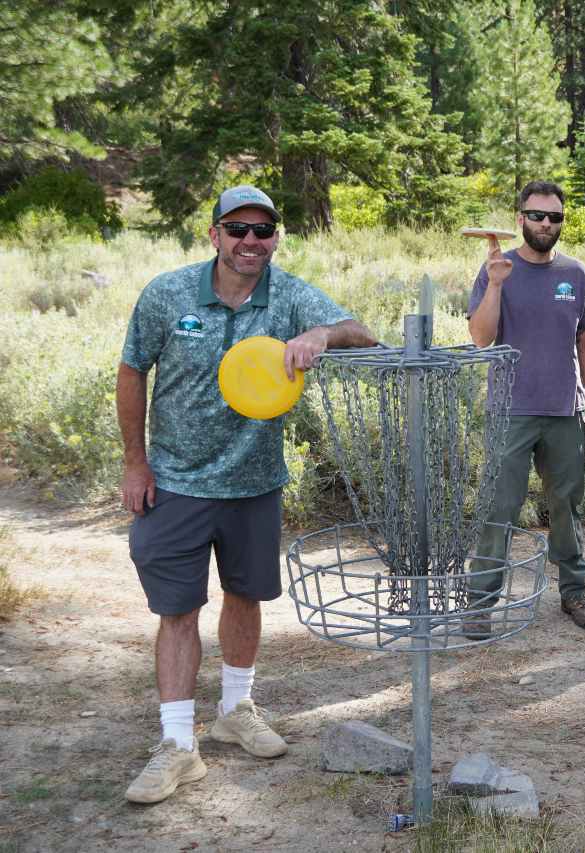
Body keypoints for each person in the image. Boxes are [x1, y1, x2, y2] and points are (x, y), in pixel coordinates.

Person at [117, 185, 376, 804]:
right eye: (238, 230)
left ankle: (236, 709)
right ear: (214, 235)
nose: (251, 242)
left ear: (276, 238)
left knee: (245, 596)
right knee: (177, 610)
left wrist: (320, 337)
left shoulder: (286, 294)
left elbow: (361, 332)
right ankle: (178, 745)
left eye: (263, 231)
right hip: (175, 481)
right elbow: (132, 371)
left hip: (255, 483)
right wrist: (135, 462)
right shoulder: (168, 293)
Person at [467, 180, 585, 631]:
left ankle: (575, 595)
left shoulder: (576, 274)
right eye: (537, 215)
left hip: (566, 411)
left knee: (566, 506)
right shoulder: (497, 268)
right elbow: (481, 337)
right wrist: (495, 286)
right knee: (500, 508)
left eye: (555, 217)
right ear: (520, 218)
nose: (546, 223)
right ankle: (480, 603)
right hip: (511, 411)